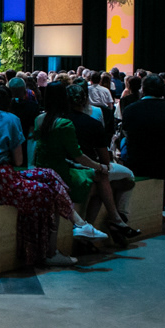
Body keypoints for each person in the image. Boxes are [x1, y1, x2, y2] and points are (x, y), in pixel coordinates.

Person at [0, 86, 105, 267]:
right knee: (48, 191)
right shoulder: (12, 119)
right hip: (2, 179)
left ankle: (80, 224)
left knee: (49, 174)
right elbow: (18, 160)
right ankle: (52, 251)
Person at [31, 82, 137, 248]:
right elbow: (78, 156)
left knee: (101, 182)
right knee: (119, 178)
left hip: (44, 170)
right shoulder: (66, 124)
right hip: (62, 173)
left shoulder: (40, 120)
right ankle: (114, 220)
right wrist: (99, 166)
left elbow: (38, 150)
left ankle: (95, 228)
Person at [120, 74, 165, 182]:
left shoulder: (130, 109)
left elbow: (127, 133)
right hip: (164, 165)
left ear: (143, 89)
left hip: (137, 163)